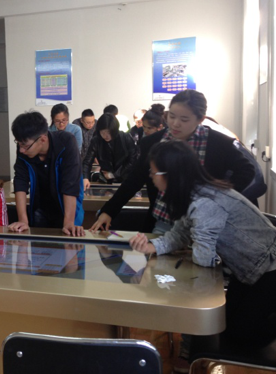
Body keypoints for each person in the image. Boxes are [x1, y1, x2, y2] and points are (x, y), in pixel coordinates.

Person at [130, 140, 276, 368]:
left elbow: (204, 258)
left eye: (153, 172)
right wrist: (152, 246)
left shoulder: (204, 202)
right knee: (225, 326)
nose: (151, 177)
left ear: (171, 174)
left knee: (244, 335)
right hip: (248, 268)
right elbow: (180, 233)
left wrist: (186, 262)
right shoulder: (193, 192)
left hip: (268, 267)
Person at [91, 90, 256, 234]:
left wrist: (218, 199)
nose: (175, 124)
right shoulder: (153, 142)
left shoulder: (217, 143)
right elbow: (135, 179)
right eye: (172, 116)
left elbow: (247, 171)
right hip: (164, 223)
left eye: (184, 119)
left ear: (200, 119)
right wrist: (109, 211)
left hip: (204, 225)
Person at [9, 111, 84, 236]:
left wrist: (69, 222)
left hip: (66, 206)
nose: (21, 150)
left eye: (25, 146)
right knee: (39, 243)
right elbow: (20, 181)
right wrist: (23, 220)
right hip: (40, 207)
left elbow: (70, 184)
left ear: (42, 139)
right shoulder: (24, 147)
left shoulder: (66, 142)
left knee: (68, 240)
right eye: (18, 144)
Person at [82, 113, 137, 189]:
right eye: (103, 132)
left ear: (115, 130)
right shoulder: (96, 141)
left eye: (109, 132)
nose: (106, 135)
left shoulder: (126, 138)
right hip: (106, 180)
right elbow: (87, 161)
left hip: (126, 178)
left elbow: (132, 160)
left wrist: (114, 174)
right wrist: (85, 177)